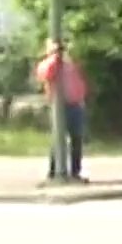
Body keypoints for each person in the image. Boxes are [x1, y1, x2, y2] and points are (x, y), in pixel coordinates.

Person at [34, 39, 88, 181]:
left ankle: (75, 173)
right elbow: (45, 75)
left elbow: (79, 80)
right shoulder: (47, 64)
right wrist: (54, 58)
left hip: (75, 104)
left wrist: (81, 97)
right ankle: (54, 172)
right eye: (57, 49)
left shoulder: (70, 64)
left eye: (61, 49)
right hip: (59, 106)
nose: (61, 52)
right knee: (58, 139)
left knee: (77, 139)